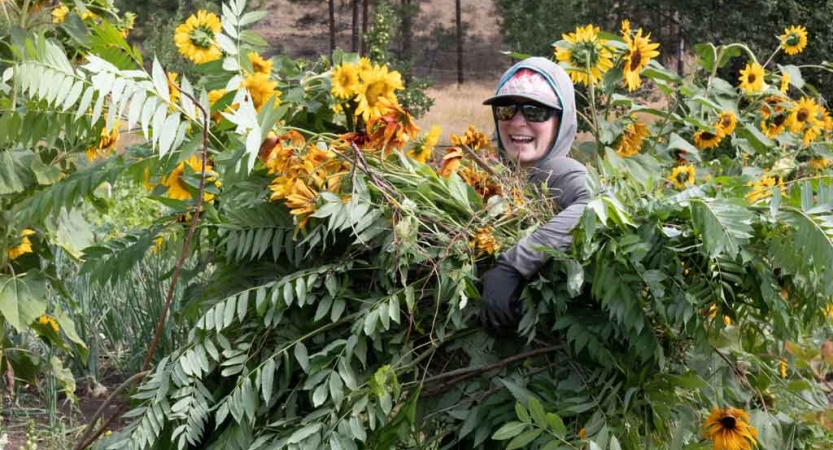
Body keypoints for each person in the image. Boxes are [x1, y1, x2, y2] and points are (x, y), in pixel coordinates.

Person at [480, 57, 590, 336]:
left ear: (561, 121)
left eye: (535, 111)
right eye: (506, 110)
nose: (517, 122)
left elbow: (596, 205)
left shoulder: (556, 171)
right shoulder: (500, 176)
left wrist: (513, 266)